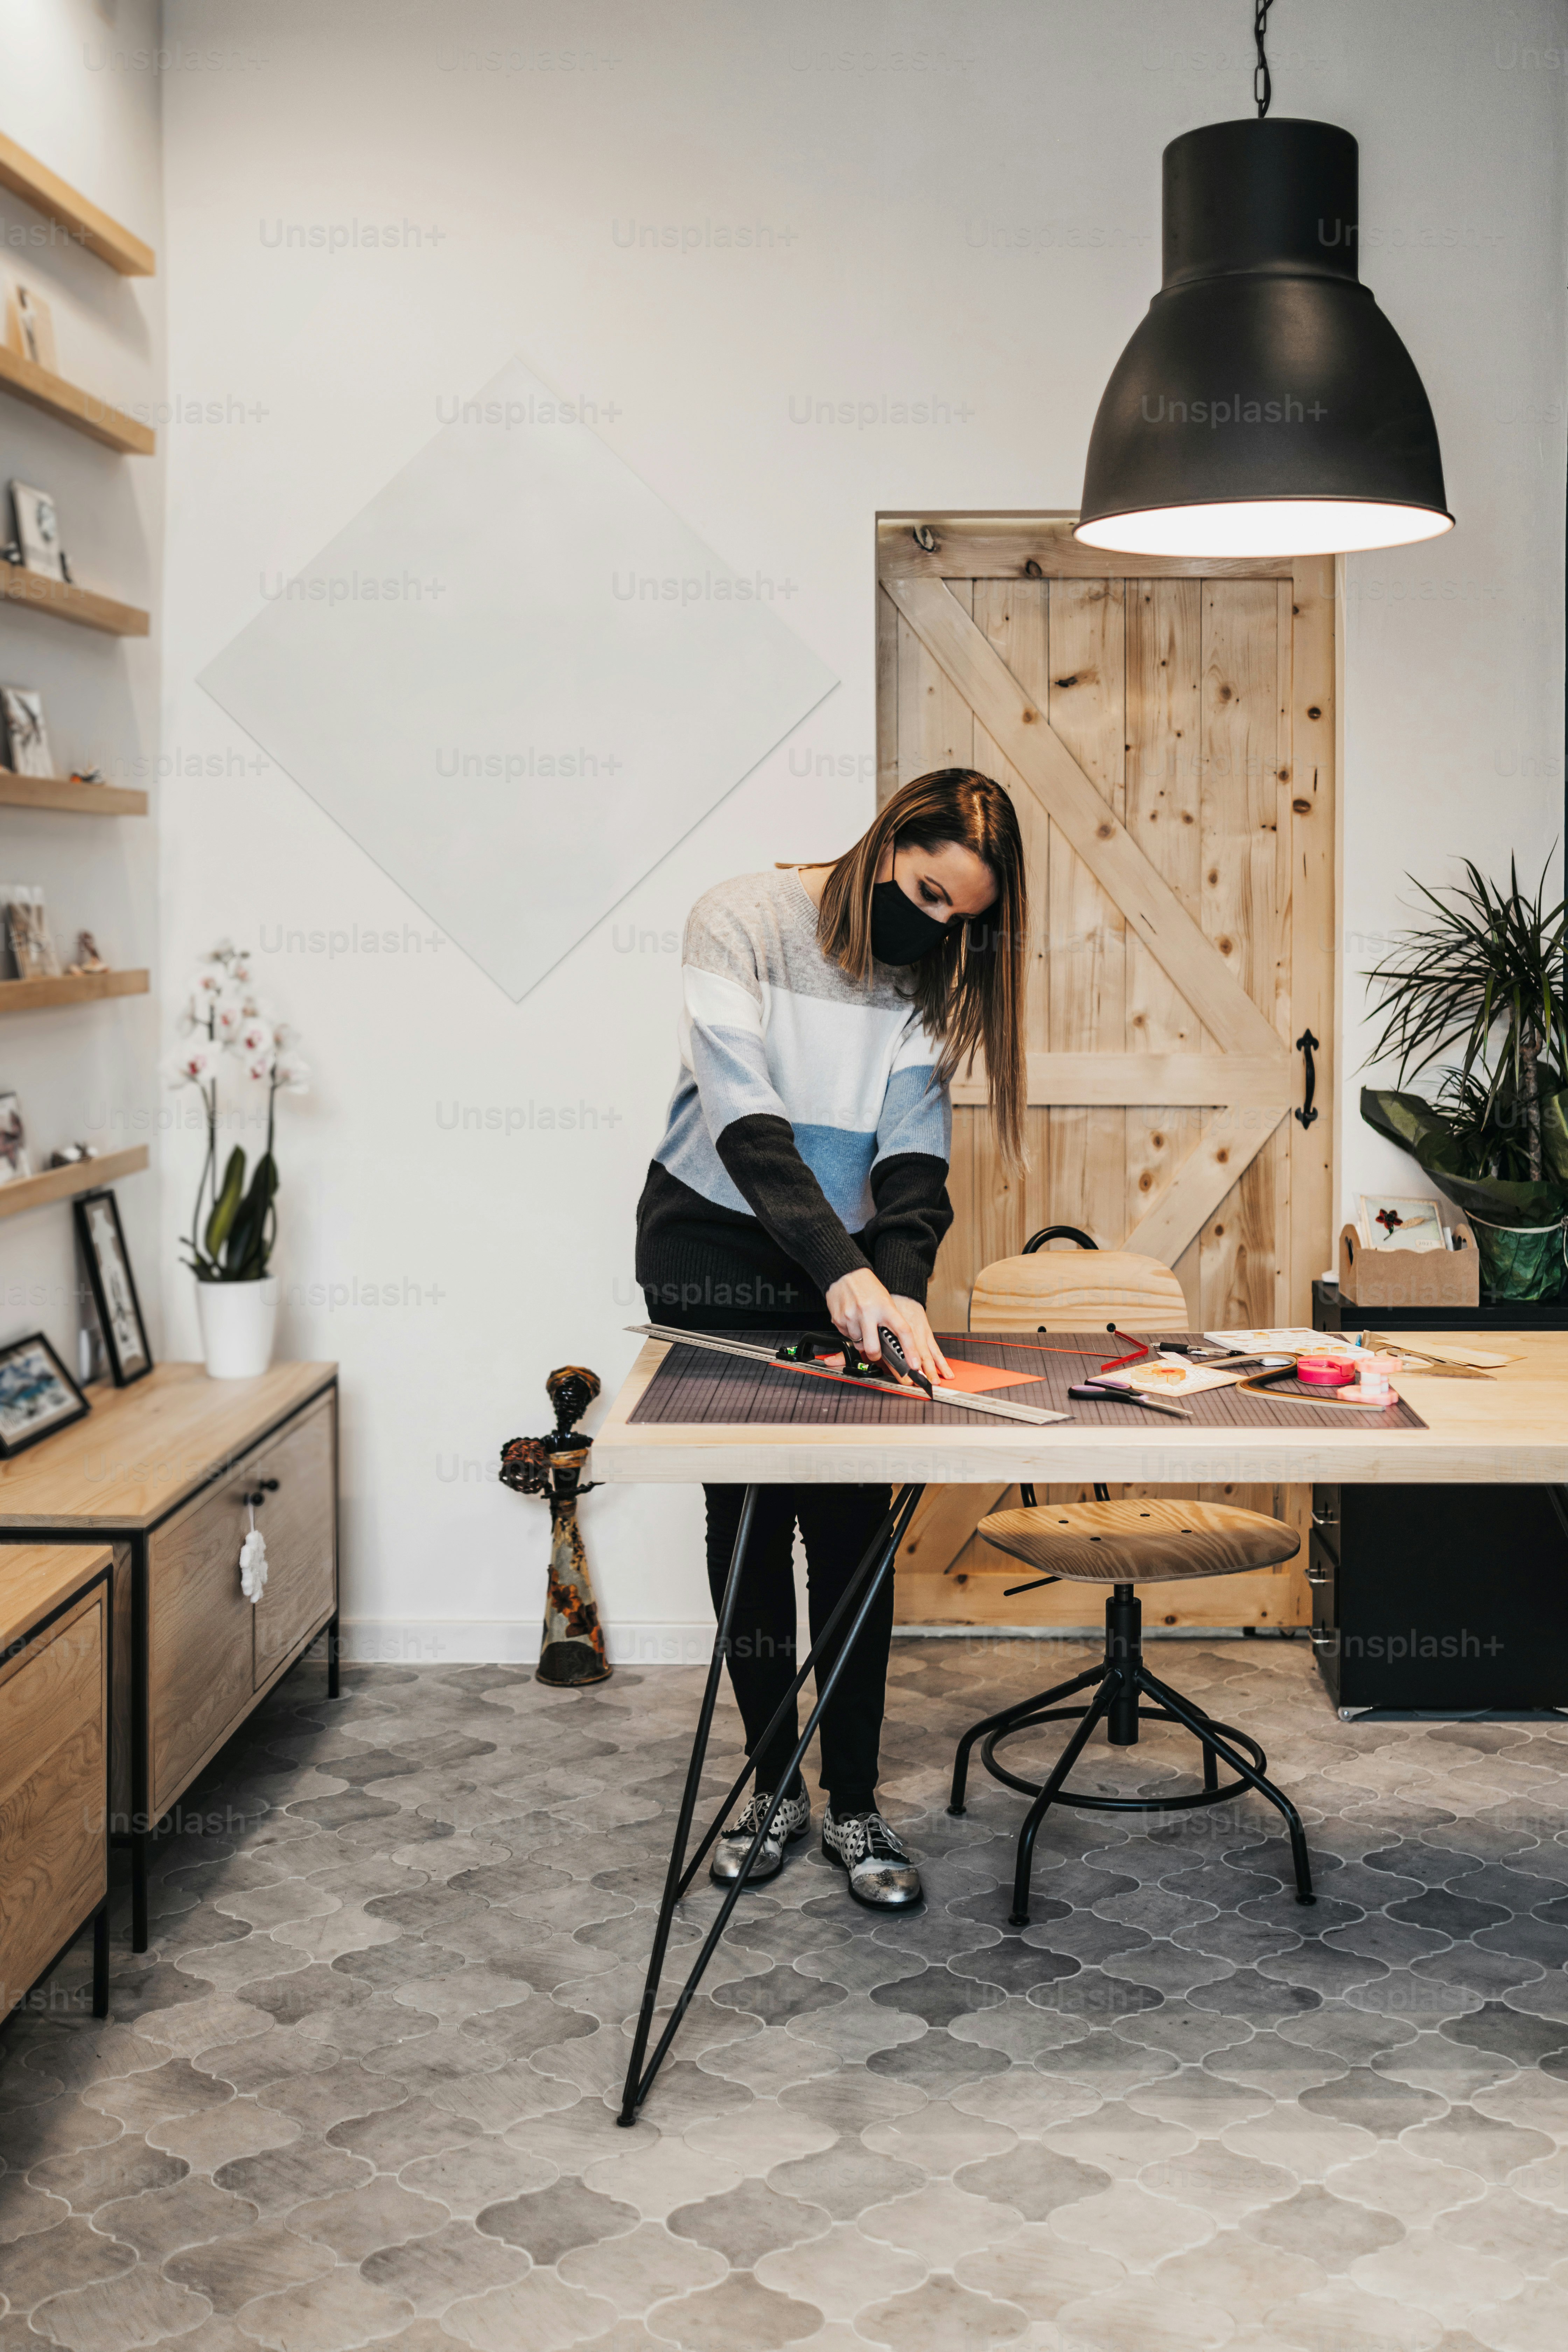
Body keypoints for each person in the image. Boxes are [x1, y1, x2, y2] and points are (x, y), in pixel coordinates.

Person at [636, 768, 1028, 1907]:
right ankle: (773, 1788)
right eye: (926, 891)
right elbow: (748, 1126)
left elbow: (912, 1165)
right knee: (750, 1525)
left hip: (844, 1257)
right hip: (714, 1241)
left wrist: (894, 1288)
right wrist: (846, 1273)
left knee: (852, 1532)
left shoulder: (923, 981)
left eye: (961, 915)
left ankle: (854, 1806)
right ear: (888, 840)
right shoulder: (740, 917)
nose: (936, 923)